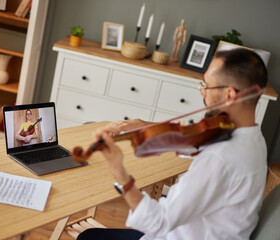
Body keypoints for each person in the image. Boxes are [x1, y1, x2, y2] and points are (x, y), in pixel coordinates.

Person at [77, 48, 268, 240]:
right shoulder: (254, 139)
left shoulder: (219, 158)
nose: (203, 93)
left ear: (229, 94)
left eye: (207, 86)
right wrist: (144, 126)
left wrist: (119, 171)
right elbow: (193, 137)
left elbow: (158, 222)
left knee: (89, 237)